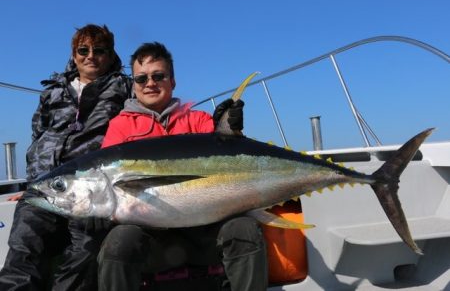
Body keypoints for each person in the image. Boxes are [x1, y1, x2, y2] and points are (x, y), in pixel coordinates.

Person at [97, 42, 268, 291]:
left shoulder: (198, 120)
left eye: (158, 76)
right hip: (155, 243)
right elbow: (105, 183)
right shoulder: (120, 127)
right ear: (134, 85)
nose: (150, 83)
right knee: (119, 241)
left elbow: (233, 165)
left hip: (206, 234)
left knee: (244, 229)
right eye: (141, 78)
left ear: (172, 81)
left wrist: (233, 130)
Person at [0, 24, 131, 291]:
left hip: (92, 190)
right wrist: (32, 185)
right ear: (74, 54)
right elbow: (38, 135)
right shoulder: (53, 91)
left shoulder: (125, 90)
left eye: (99, 50)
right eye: (83, 50)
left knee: (84, 252)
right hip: (46, 188)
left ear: (110, 55)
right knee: (24, 243)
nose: (90, 56)